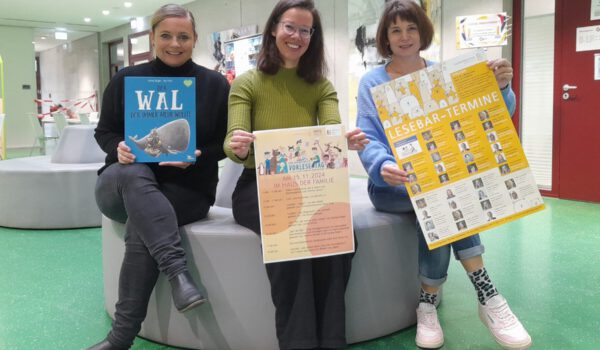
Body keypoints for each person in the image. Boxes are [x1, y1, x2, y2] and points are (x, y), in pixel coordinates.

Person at [355, 1, 531, 349]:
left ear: (423, 33)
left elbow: (492, 114)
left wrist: (501, 88)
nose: (404, 37)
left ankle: (427, 302)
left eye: (411, 28)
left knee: (438, 197)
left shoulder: (442, 74)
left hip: (439, 179)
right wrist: (380, 166)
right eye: (395, 30)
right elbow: (368, 136)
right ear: (385, 38)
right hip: (393, 186)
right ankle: (487, 293)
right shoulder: (371, 82)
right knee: (440, 196)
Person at [223, 1, 368, 349]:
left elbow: (332, 129)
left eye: (305, 30)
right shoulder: (246, 83)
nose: (297, 36)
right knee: (290, 241)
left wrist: (341, 141)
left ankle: (332, 340)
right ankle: (298, 342)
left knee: (340, 237)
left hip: (312, 184)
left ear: (312, 37)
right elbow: (232, 140)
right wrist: (239, 146)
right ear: (273, 28)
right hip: (257, 187)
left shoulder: (321, 85)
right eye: (290, 27)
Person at [88, 5, 230, 350]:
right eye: (165, 35)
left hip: (187, 189)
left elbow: (225, 143)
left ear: (195, 39)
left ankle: (119, 339)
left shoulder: (214, 84)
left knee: (146, 221)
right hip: (120, 185)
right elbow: (104, 131)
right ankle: (177, 272)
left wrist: (198, 156)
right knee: (136, 173)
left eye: (183, 36)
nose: (174, 44)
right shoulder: (126, 79)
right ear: (152, 38)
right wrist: (118, 148)